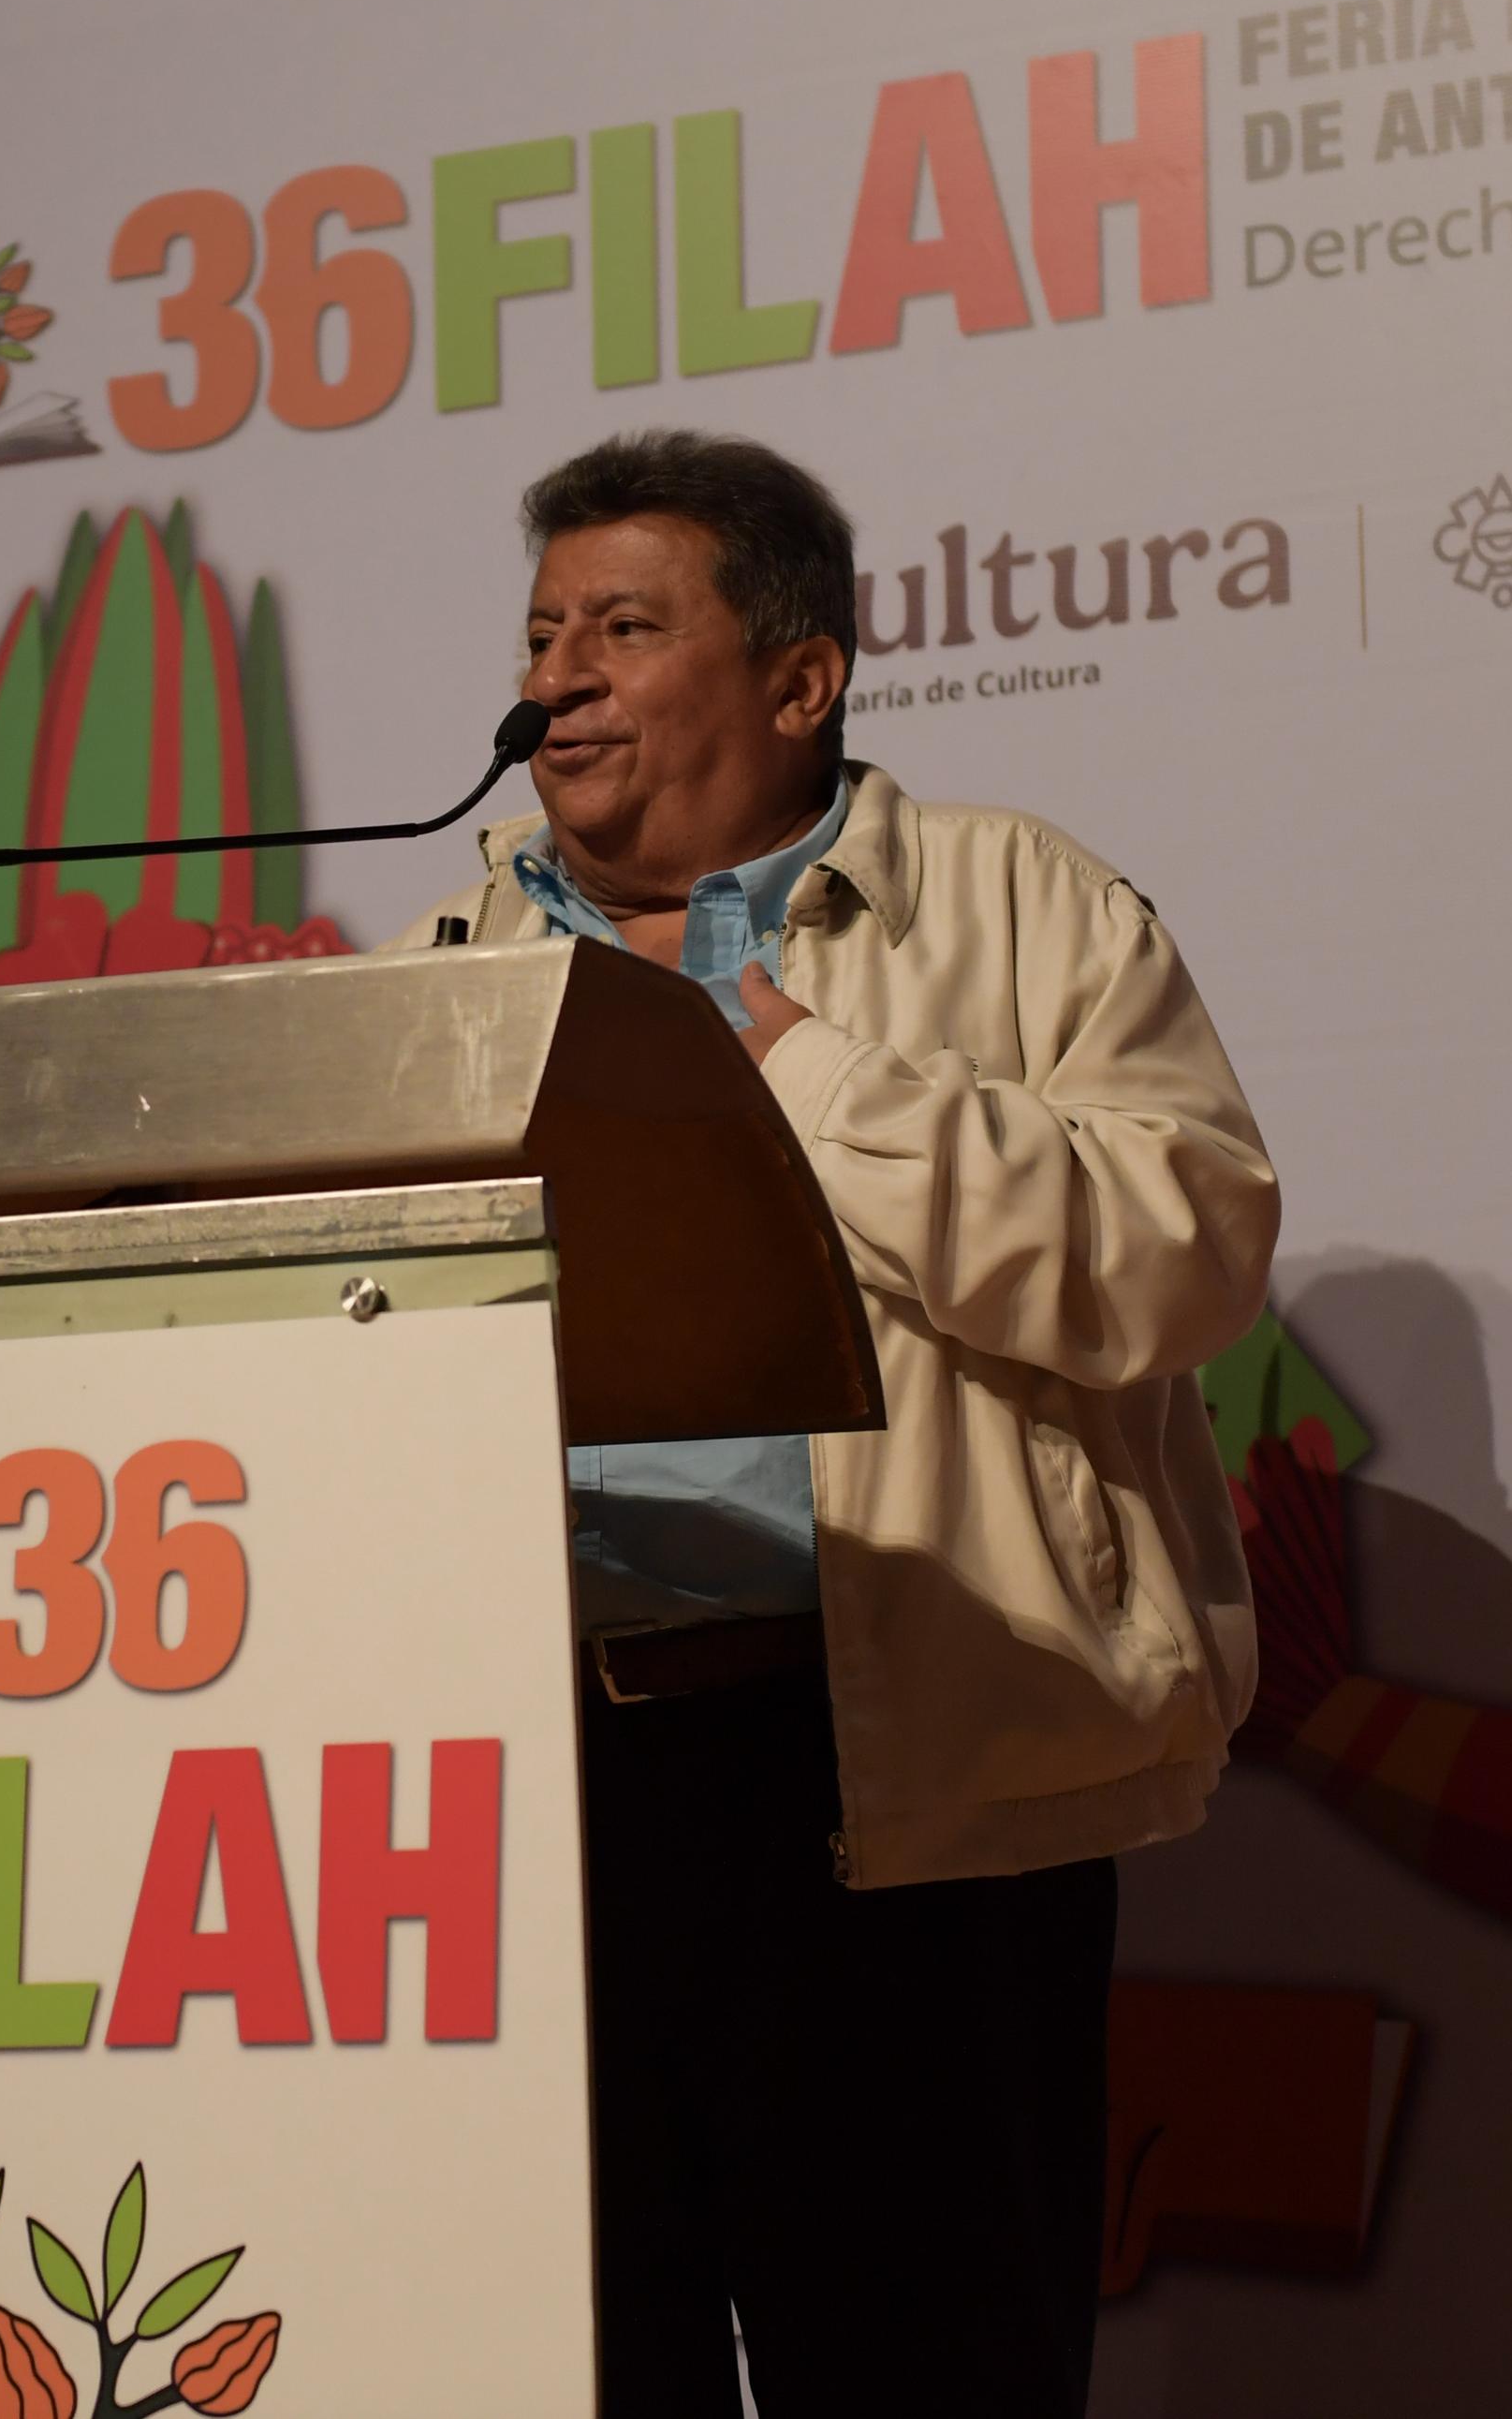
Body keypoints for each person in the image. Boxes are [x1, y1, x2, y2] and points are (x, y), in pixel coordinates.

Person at [394, 431, 1278, 2416]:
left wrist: (790, 1061)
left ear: (801, 680)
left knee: (923, 2373)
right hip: (533, 1801)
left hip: (908, 1776)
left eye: (626, 628)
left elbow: (1181, 1253)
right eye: (542, 633)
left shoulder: (1015, 903)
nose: (560, 678)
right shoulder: (442, 968)